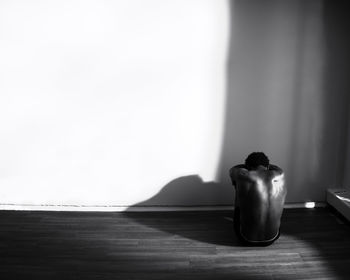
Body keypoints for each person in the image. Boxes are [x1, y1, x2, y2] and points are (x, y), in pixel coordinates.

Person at [229, 152, 287, 246]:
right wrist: (265, 165)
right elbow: (274, 167)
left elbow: (234, 168)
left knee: (238, 189)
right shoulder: (280, 173)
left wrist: (248, 166)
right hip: (273, 238)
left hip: (245, 239)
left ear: (248, 167)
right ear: (267, 166)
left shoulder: (242, 174)